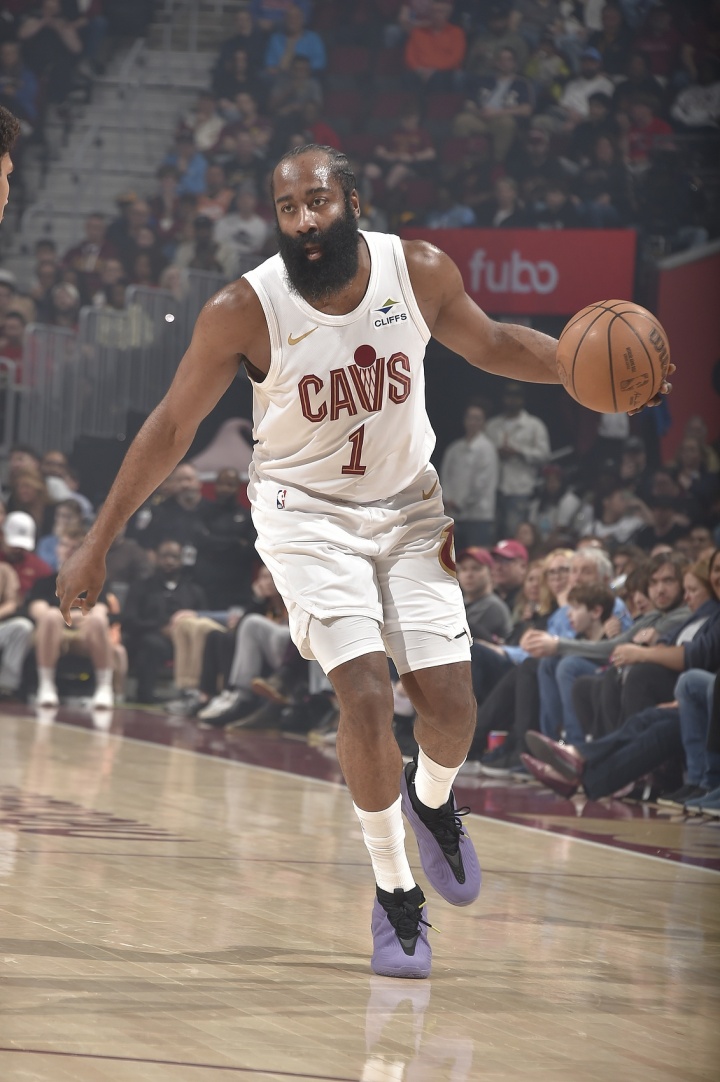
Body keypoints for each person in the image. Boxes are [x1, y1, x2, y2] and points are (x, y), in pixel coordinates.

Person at [56, 143, 672, 981]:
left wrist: (581, 366)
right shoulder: (244, 309)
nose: (304, 221)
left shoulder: (416, 271)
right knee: (367, 693)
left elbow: (493, 343)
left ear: (351, 201)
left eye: (317, 201)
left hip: (409, 509)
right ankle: (394, 891)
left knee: (451, 708)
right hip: (305, 518)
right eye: (287, 208)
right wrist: (98, 538)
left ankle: (431, 800)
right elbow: (170, 428)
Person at [439, 400, 498, 549]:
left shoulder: (487, 448)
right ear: (464, 420)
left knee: (476, 555)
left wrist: (460, 503)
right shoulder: (454, 448)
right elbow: (445, 476)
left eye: (477, 419)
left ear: (483, 422)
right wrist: (448, 499)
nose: (473, 422)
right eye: (470, 418)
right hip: (453, 513)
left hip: (479, 515)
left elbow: (481, 483)